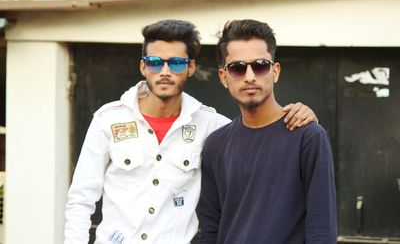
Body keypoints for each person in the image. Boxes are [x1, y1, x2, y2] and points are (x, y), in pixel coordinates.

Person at [64, 19, 318, 244]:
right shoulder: (108, 119)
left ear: (191, 67)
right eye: (155, 62)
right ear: (143, 67)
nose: (165, 72)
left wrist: (304, 116)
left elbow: (255, 131)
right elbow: (80, 201)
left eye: (176, 63)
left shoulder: (211, 125)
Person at [196, 19, 337, 244]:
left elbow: (322, 228)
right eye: (238, 68)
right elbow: (211, 229)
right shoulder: (216, 145)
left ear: (275, 71)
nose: (250, 76)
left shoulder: (308, 137)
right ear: (224, 77)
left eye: (260, 65)